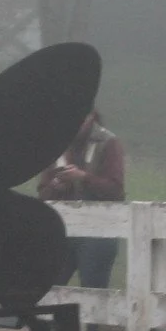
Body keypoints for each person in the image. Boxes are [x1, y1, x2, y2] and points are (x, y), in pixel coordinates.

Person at [38, 110, 126, 288]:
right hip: (60, 230)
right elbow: (42, 193)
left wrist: (83, 178)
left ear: (91, 117)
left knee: (94, 293)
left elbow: (116, 191)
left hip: (98, 231)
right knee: (46, 289)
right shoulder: (56, 143)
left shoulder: (108, 143)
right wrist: (56, 185)